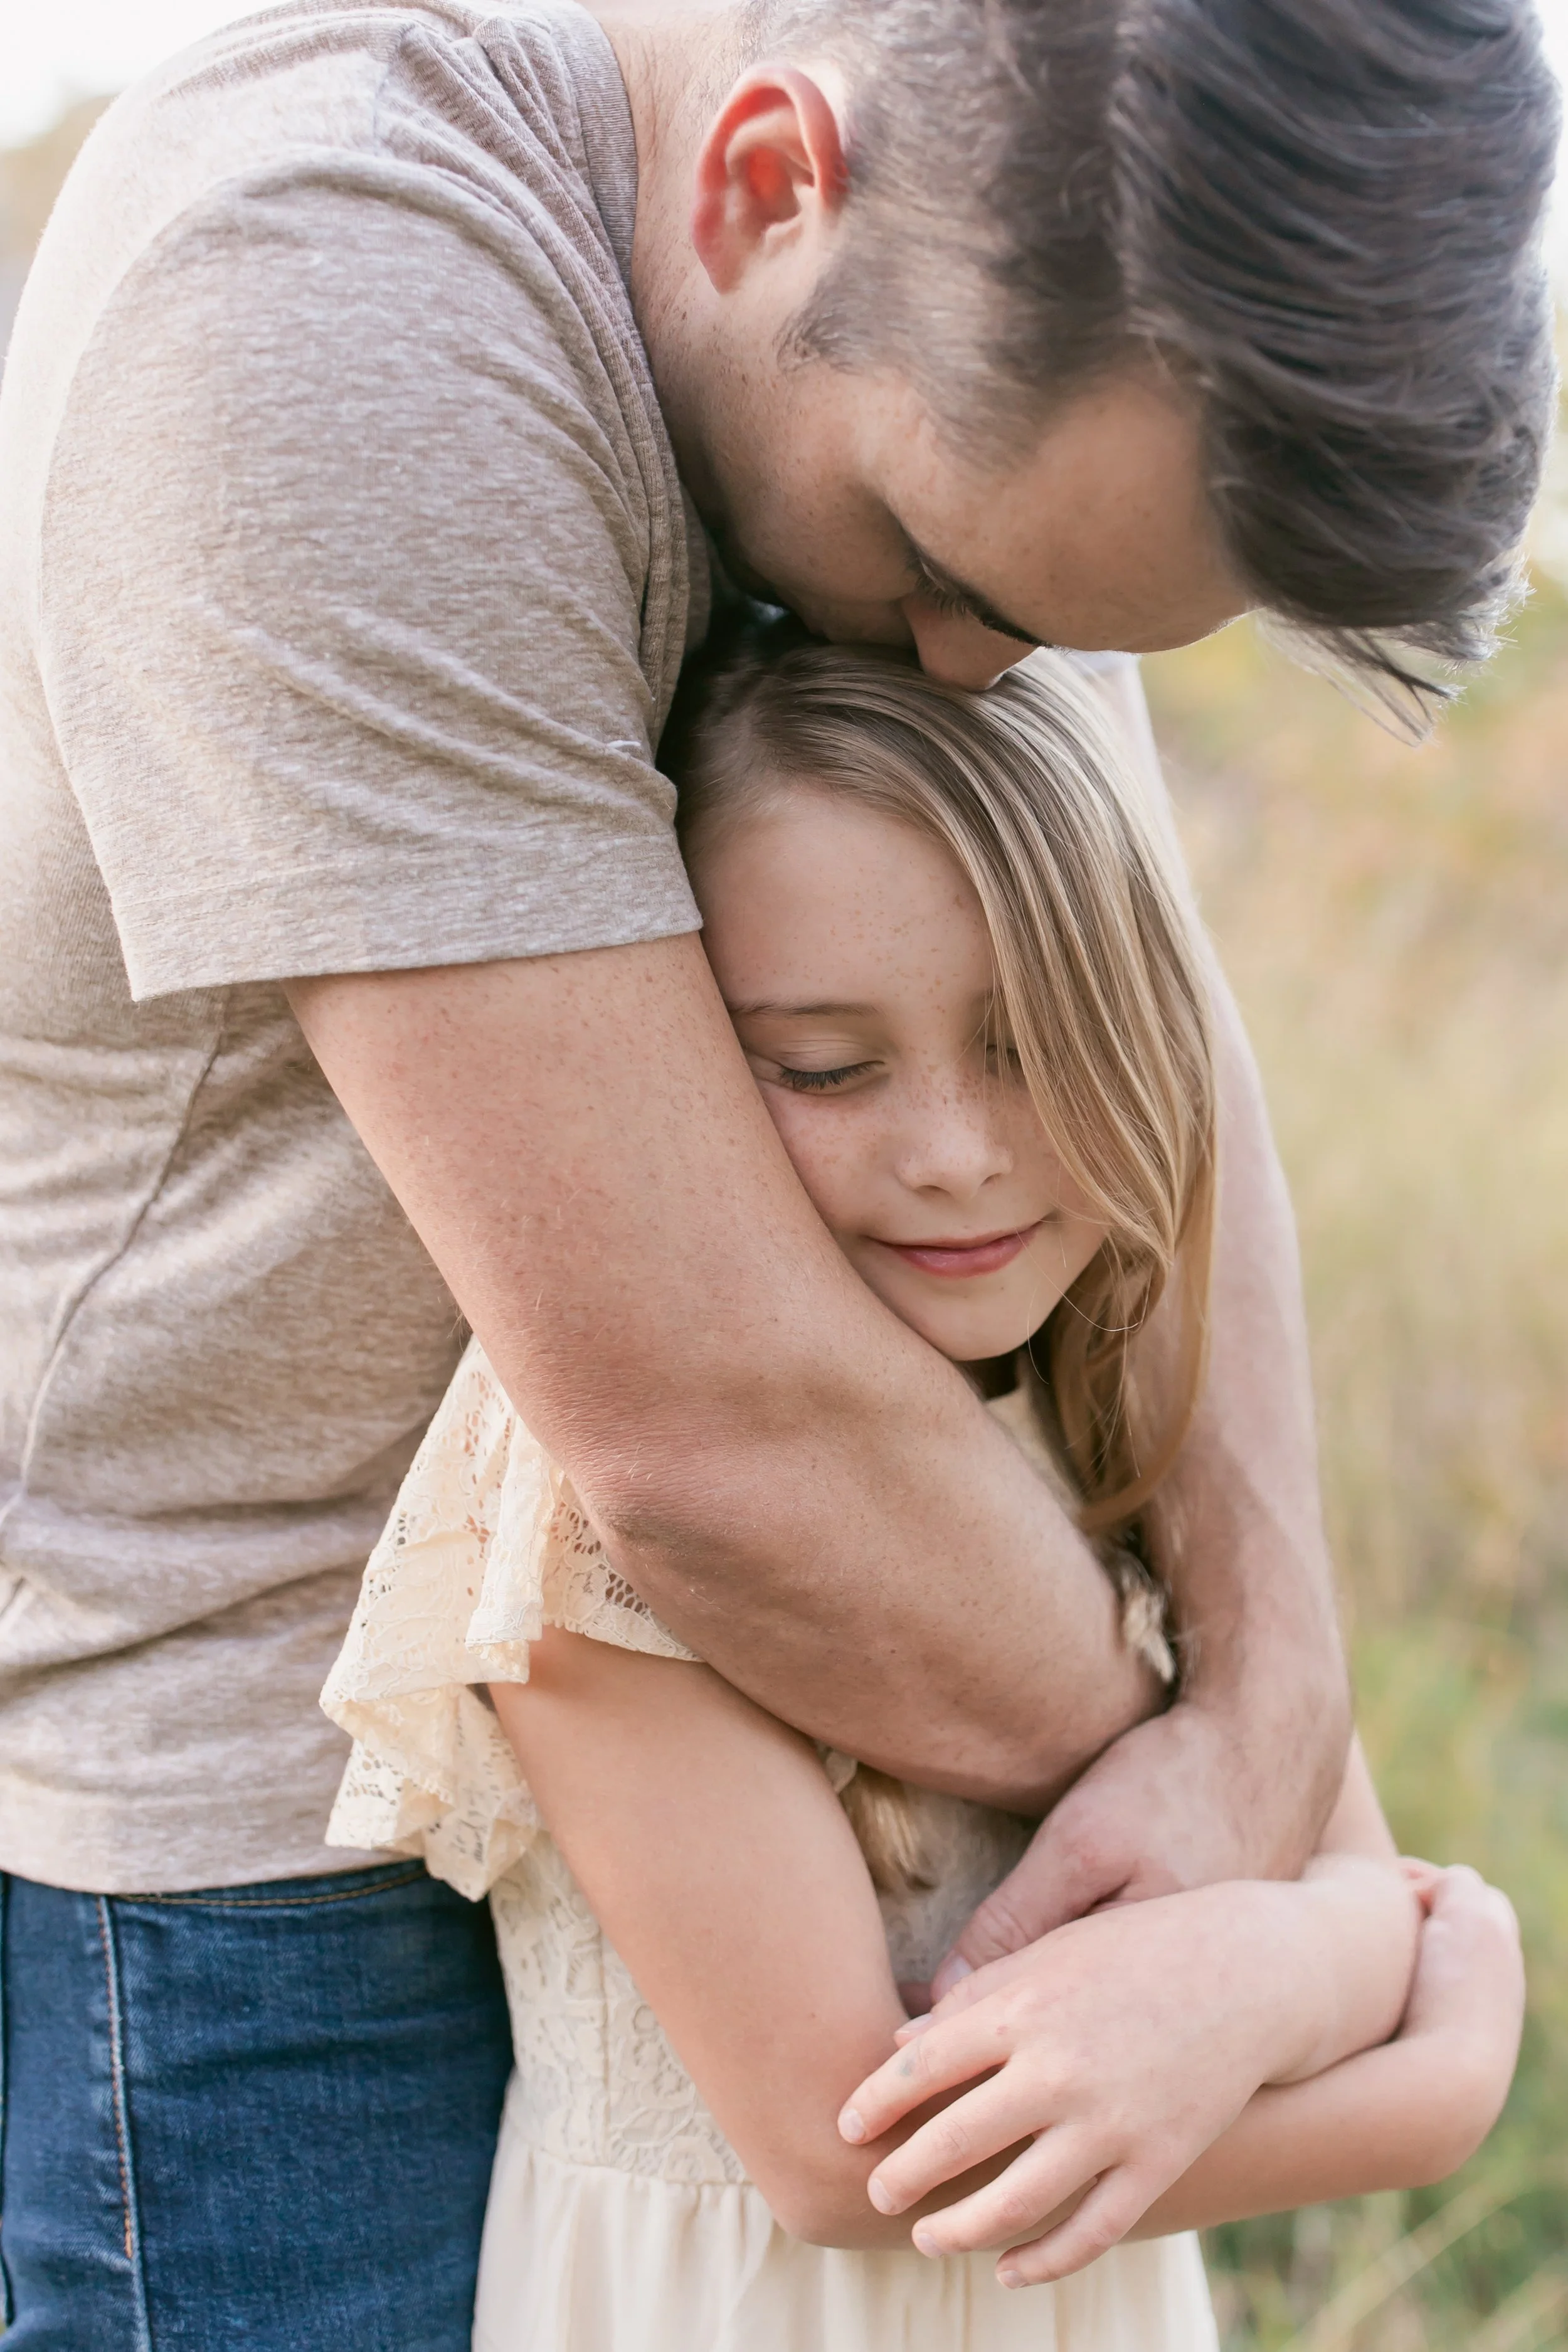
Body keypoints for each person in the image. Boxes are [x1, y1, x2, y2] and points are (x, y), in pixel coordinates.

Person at [0, 0, 1554, 2339]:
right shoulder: (325, 282)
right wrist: (1309, 1906)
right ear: (758, 185)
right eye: (939, 569)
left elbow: (1142, 1016)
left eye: (1053, 633)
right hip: (262, 1860)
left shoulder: (999, 390)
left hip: (875, 1650)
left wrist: (1270, 1721)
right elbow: (705, 1436)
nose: (965, 670)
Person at [322, 636, 1524, 2352]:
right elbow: (845, 2158)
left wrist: (1335, 1988)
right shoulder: (591, 1487)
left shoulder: (1104, 1388)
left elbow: (1344, 1872)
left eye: (1031, 1043)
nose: (954, 1148)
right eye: (822, 1064)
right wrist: (1333, 1985)